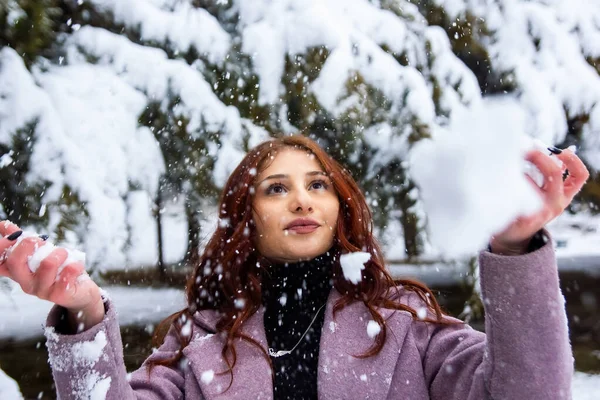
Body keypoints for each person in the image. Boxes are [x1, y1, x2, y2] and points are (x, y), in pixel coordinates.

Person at [0, 135, 588, 400]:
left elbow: (531, 392)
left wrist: (516, 249)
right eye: (276, 188)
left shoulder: (408, 325)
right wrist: (82, 311)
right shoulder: (198, 342)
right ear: (246, 217)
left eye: (317, 185)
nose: (302, 200)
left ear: (340, 209)